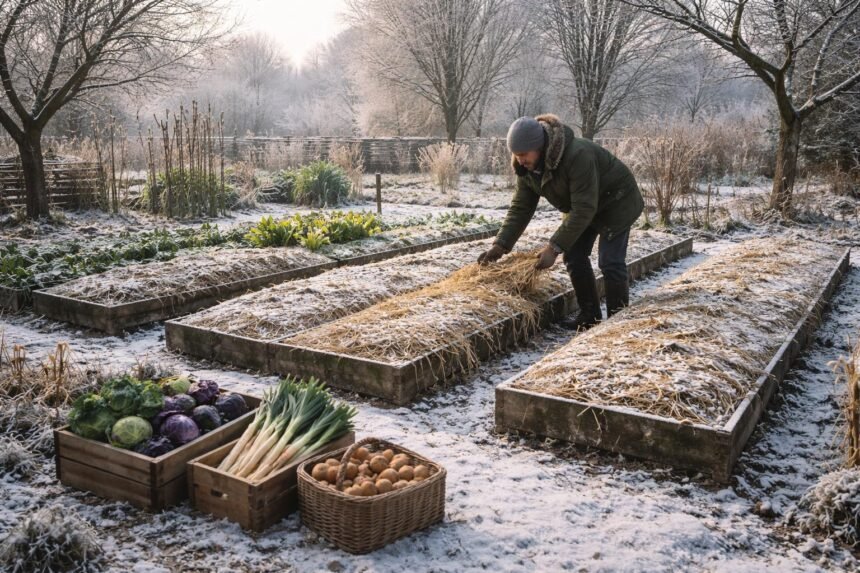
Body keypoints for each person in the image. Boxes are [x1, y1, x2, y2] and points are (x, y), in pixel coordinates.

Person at [478, 114, 644, 330]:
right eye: (516, 155)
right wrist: (500, 245)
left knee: (610, 261)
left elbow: (584, 209)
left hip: (616, 201)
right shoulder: (526, 169)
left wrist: (554, 247)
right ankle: (589, 316)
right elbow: (521, 208)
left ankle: (616, 323)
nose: (520, 160)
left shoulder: (577, 155)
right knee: (574, 255)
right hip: (583, 204)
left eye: (524, 154)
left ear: (539, 147)